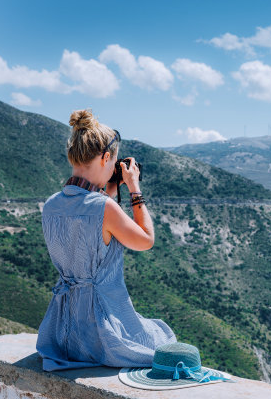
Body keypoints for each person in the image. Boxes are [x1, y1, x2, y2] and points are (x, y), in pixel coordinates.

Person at [36, 109, 177, 371]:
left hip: (61, 332)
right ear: (105, 157)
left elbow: (87, 226)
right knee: (163, 336)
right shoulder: (104, 208)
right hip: (102, 333)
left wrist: (108, 194)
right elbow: (145, 240)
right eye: (112, 163)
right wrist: (134, 189)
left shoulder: (51, 205)